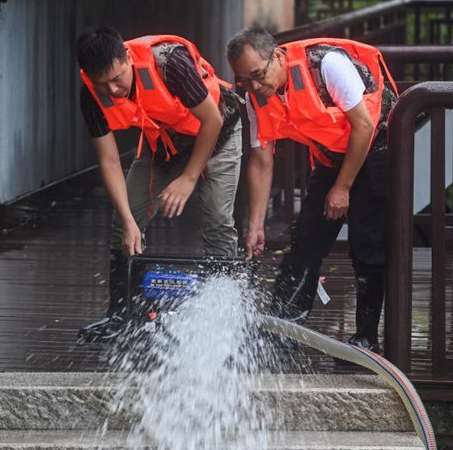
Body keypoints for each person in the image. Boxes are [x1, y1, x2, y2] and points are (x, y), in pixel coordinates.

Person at [226, 27, 398, 352]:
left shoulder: (326, 65)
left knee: (368, 244)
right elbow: (261, 160)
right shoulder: (254, 98)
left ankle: (366, 338)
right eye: (244, 81)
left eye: (258, 75)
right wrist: (256, 225)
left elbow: (364, 125)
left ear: (278, 56)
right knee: (305, 241)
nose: (255, 87)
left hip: (377, 148)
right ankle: (283, 333)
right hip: (333, 157)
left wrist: (342, 188)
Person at [77, 27, 243, 340]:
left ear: (128, 58)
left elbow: (212, 120)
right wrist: (129, 221)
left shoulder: (170, 63)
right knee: (125, 220)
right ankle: (123, 315)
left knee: (217, 220)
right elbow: (109, 161)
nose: (112, 90)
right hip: (165, 143)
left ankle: (225, 315)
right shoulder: (90, 94)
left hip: (218, 134)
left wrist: (188, 178)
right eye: (102, 84)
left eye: (117, 78)